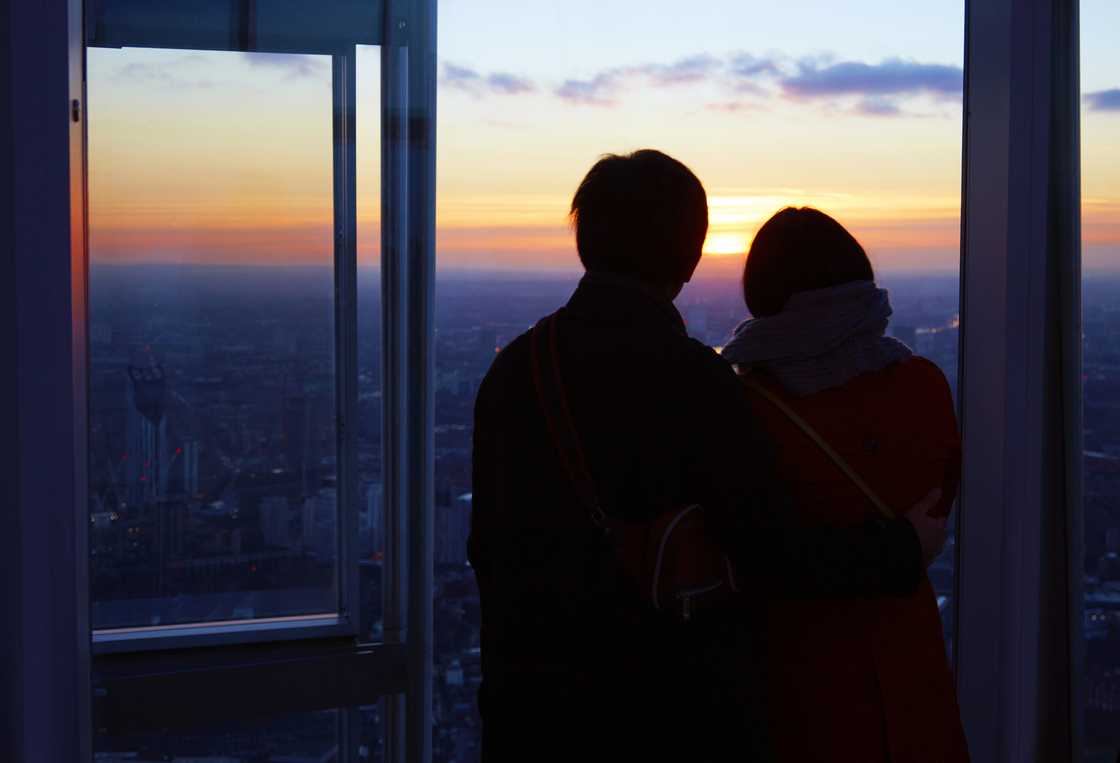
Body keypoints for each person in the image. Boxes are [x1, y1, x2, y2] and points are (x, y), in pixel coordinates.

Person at [468, 151, 948, 763]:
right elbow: (774, 552)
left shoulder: (516, 370)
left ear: (586, 240)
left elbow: (488, 546)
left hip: (528, 711)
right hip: (659, 711)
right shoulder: (696, 383)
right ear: (690, 255)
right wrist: (906, 547)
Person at [721, 206, 970, 763]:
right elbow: (935, 510)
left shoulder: (745, 407)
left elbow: (752, 548)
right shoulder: (923, 387)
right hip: (908, 663)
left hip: (794, 677)